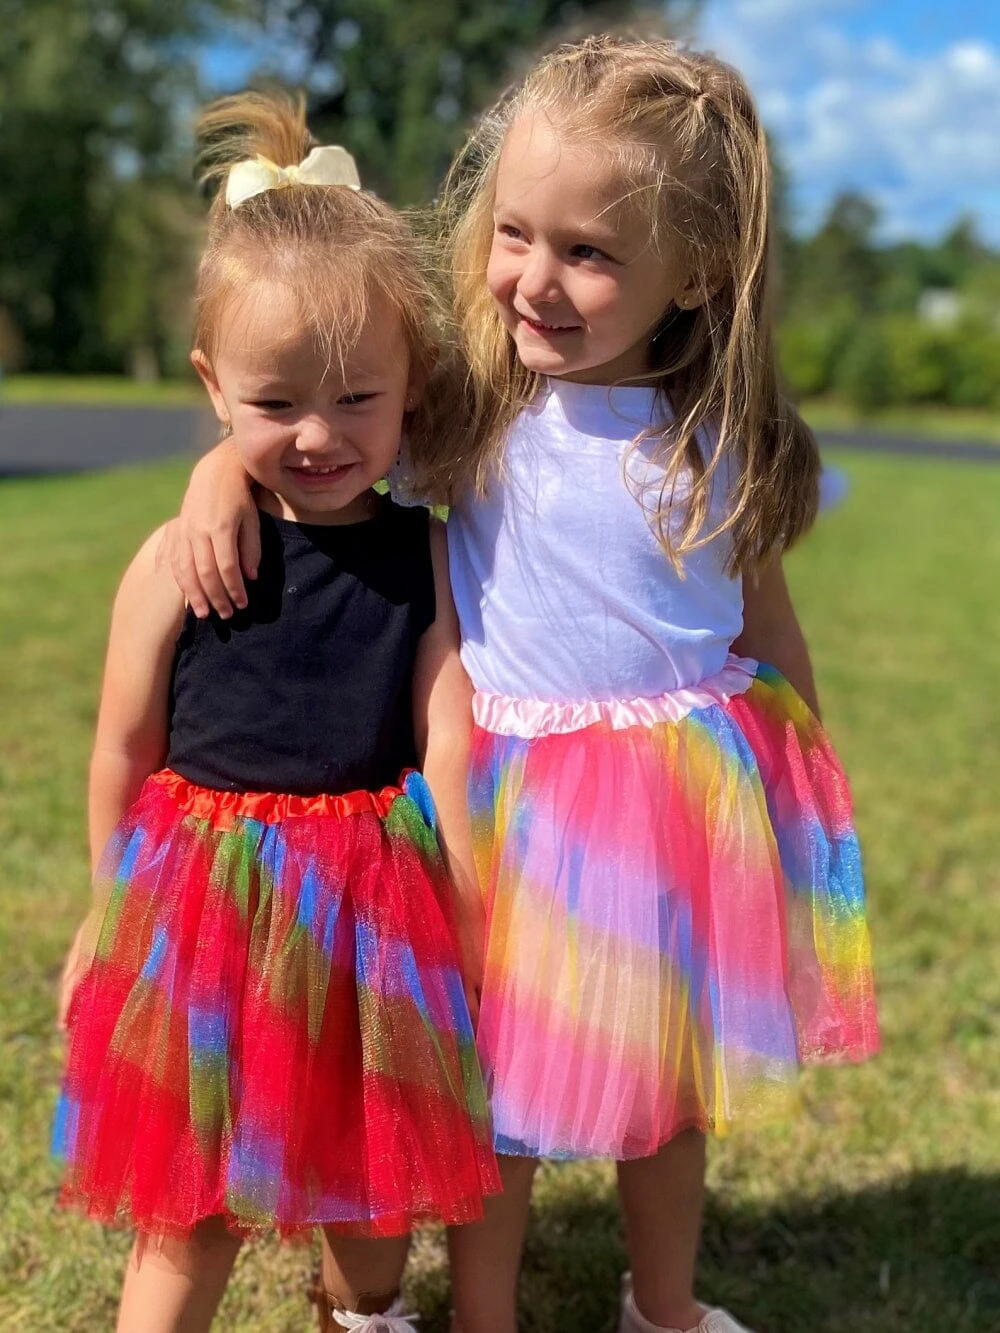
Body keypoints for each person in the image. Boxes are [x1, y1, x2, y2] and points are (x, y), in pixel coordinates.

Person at [163, 38, 879, 1333]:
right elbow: (321, 444)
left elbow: (766, 624)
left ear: (695, 273)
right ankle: (482, 1314)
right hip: (506, 812)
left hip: (676, 818)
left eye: (587, 252)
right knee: (499, 1090)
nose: (533, 281)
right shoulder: (475, 416)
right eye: (514, 233)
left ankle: (664, 1304)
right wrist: (219, 472)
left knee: (672, 1087)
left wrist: (800, 794)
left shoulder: (724, 444)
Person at [53, 91, 500, 1333]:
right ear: (214, 387)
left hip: (371, 913)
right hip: (204, 909)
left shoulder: (426, 555)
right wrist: (109, 910)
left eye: (357, 398)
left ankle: (361, 1314)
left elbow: (448, 735)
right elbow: (122, 744)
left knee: (372, 1188)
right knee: (189, 1206)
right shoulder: (176, 558)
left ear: (411, 384)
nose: (318, 434)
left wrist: (468, 919)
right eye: (275, 403)